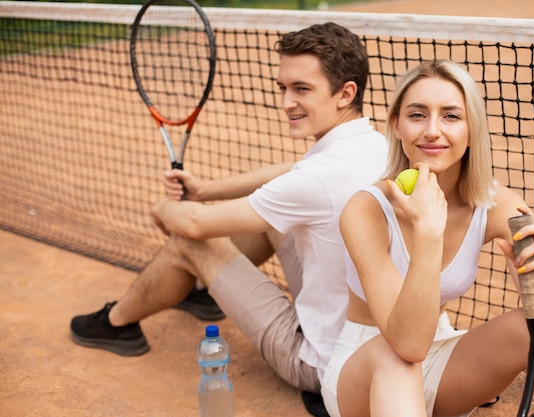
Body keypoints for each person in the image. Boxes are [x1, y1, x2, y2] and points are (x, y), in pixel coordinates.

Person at [70, 21, 388, 401]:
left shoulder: (317, 179)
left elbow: (196, 224)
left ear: (345, 92)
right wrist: (204, 189)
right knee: (272, 216)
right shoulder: (373, 145)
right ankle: (203, 293)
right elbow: (290, 175)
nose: (286, 102)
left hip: (322, 363)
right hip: (370, 342)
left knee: (188, 243)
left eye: (302, 88)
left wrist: (163, 207)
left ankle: (117, 323)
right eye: (283, 87)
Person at [320, 60, 534, 417]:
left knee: (530, 330)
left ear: (472, 128)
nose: (432, 130)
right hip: (364, 372)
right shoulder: (365, 209)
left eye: (450, 116)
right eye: (417, 115)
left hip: (440, 360)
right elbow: (408, 344)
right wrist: (428, 231)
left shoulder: (500, 206)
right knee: (393, 354)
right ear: (396, 125)